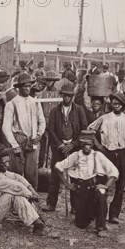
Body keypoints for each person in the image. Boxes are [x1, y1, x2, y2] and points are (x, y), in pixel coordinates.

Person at [0, 144, 57, 237]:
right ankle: (39, 226)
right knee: (14, 195)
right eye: (4, 161)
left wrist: (31, 189)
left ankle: (36, 218)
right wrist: (30, 195)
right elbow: (16, 186)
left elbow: (17, 177)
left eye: (8, 161)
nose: (8, 164)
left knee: (18, 192)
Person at [88, 92, 125, 224]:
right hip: (107, 153)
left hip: (122, 154)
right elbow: (90, 131)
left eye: (119, 103)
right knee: (103, 183)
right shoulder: (104, 118)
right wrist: (98, 146)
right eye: (114, 103)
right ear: (111, 104)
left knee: (120, 185)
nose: (117, 105)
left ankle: (114, 214)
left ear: (123, 105)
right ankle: (100, 212)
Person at [55, 131, 118, 237]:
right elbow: (58, 167)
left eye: (89, 144)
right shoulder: (76, 156)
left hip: (94, 187)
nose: (87, 147)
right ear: (80, 144)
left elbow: (113, 172)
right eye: (84, 144)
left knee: (101, 193)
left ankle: (101, 226)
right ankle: (90, 214)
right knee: (81, 223)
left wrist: (106, 186)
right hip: (81, 190)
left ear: (93, 144)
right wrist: (67, 184)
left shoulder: (98, 155)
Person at [42, 82, 88, 212]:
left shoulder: (79, 110)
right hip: (59, 147)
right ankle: (51, 204)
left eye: (70, 96)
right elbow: (51, 131)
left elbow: (84, 130)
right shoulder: (54, 111)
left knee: (75, 176)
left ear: (72, 96)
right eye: (65, 95)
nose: (67, 98)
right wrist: (60, 145)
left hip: (74, 148)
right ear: (61, 95)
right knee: (55, 175)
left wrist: (73, 144)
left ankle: (75, 206)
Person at [2, 72, 46, 189]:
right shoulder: (12, 104)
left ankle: (32, 201)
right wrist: (14, 145)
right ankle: (15, 200)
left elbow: (42, 121)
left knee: (31, 174)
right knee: (16, 175)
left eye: (28, 86)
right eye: (24, 86)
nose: (27, 88)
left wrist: (39, 134)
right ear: (19, 87)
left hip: (32, 143)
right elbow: (6, 127)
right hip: (18, 143)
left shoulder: (35, 102)